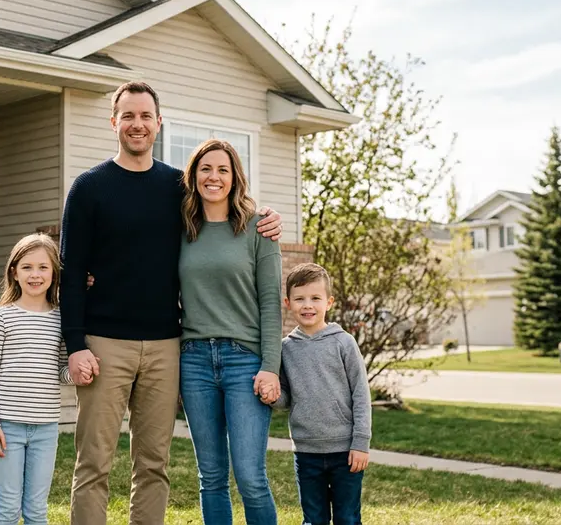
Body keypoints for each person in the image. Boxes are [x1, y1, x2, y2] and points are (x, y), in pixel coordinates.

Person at [59, 81, 282, 525]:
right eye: (128, 116)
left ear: (158, 123)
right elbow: (70, 272)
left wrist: (268, 218)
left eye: (145, 116)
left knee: (154, 465)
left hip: (167, 345)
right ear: (114, 122)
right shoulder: (88, 188)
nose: (137, 124)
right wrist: (75, 345)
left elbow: (223, 210)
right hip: (105, 343)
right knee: (93, 465)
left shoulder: (176, 188)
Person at [178, 138, 282, 524]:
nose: (214, 177)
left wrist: (271, 365)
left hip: (245, 362)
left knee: (251, 477)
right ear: (194, 176)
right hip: (194, 362)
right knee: (212, 478)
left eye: (223, 169)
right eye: (206, 169)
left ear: (235, 177)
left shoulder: (259, 229)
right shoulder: (182, 228)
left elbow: (271, 302)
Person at [269, 262, 372, 525]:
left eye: (315, 298)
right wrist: (270, 394)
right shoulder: (286, 349)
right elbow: (286, 399)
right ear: (287, 302)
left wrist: (360, 443)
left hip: (345, 451)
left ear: (329, 302)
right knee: (313, 520)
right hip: (306, 452)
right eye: (299, 298)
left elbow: (361, 394)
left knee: (347, 518)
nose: (307, 305)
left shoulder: (343, 342)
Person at [0, 234, 72, 525]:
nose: (35, 274)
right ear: (14, 273)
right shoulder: (3, 317)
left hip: (46, 427)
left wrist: (77, 373)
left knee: (36, 509)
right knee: (7, 508)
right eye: (27, 267)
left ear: (54, 273)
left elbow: (60, 370)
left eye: (43, 267)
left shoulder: (60, 318)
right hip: (7, 427)